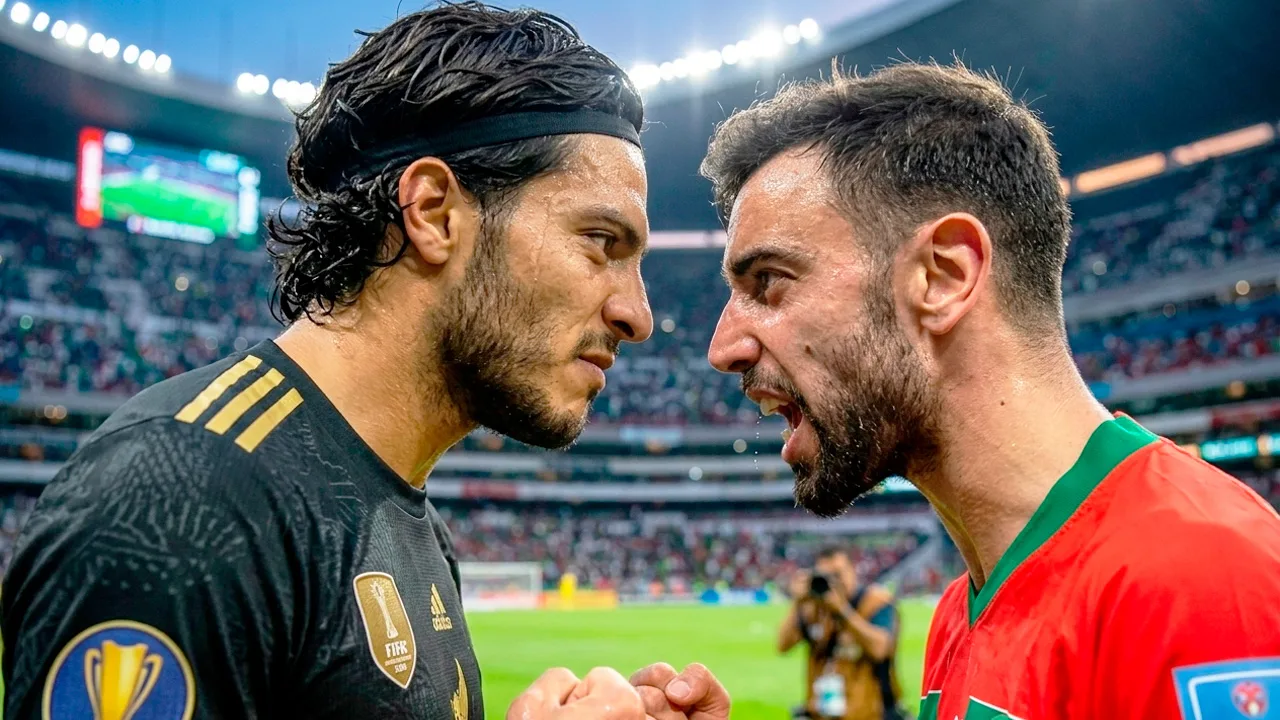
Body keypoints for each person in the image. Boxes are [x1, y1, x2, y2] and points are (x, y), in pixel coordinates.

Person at [1, 4, 728, 719]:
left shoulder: (406, 519)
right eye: (602, 242)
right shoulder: (180, 499)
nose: (639, 315)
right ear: (436, 213)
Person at [700, 60, 1280, 719]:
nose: (724, 348)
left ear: (942, 278)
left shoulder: (1200, 581)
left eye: (769, 282)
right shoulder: (960, 611)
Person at [778, 546, 904, 720]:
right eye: (827, 577)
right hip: (822, 711)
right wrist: (797, 602)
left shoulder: (876, 601)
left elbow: (880, 648)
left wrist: (842, 611)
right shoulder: (813, 607)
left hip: (871, 712)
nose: (834, 582)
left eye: (838, 574)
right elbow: (783, 645)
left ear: (852, 570)